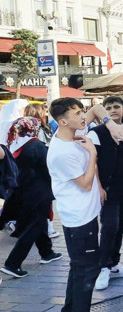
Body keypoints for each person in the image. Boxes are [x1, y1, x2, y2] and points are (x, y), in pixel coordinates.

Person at [47, 97, 123, 312]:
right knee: (87, 272)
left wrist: (110, 123)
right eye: (77, 114)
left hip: (84, 215)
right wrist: (93, 153)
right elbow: (85, 184)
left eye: (81, 111)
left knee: (80, 269)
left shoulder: (75, 135)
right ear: (63, 122)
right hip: (79, 220)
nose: (83, 116)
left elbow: (96, 108)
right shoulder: (62, 152)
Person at [89, 96, 123, 291]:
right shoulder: (97, 133)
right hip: (108, 189)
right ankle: (103, 267)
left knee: (121, 226)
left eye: (116, 107)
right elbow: (92, 162)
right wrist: (99, 187)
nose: (113, 110)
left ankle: (114, 265)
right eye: (109, 107)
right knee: (109, 226)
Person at [1, 117, 62, 278]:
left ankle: (47, 252)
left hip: (22, 192)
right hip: (38, 192)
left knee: (38, 223)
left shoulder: (13, 144)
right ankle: (12, 264)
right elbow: (50, 168)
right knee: (34, 226)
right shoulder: (36, 145)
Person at [23, 103, 57, 238]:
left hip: (30, 173)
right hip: (42, 170)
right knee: (45, 202)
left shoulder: (23, 129)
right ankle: (47, 229)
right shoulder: (39, 131)